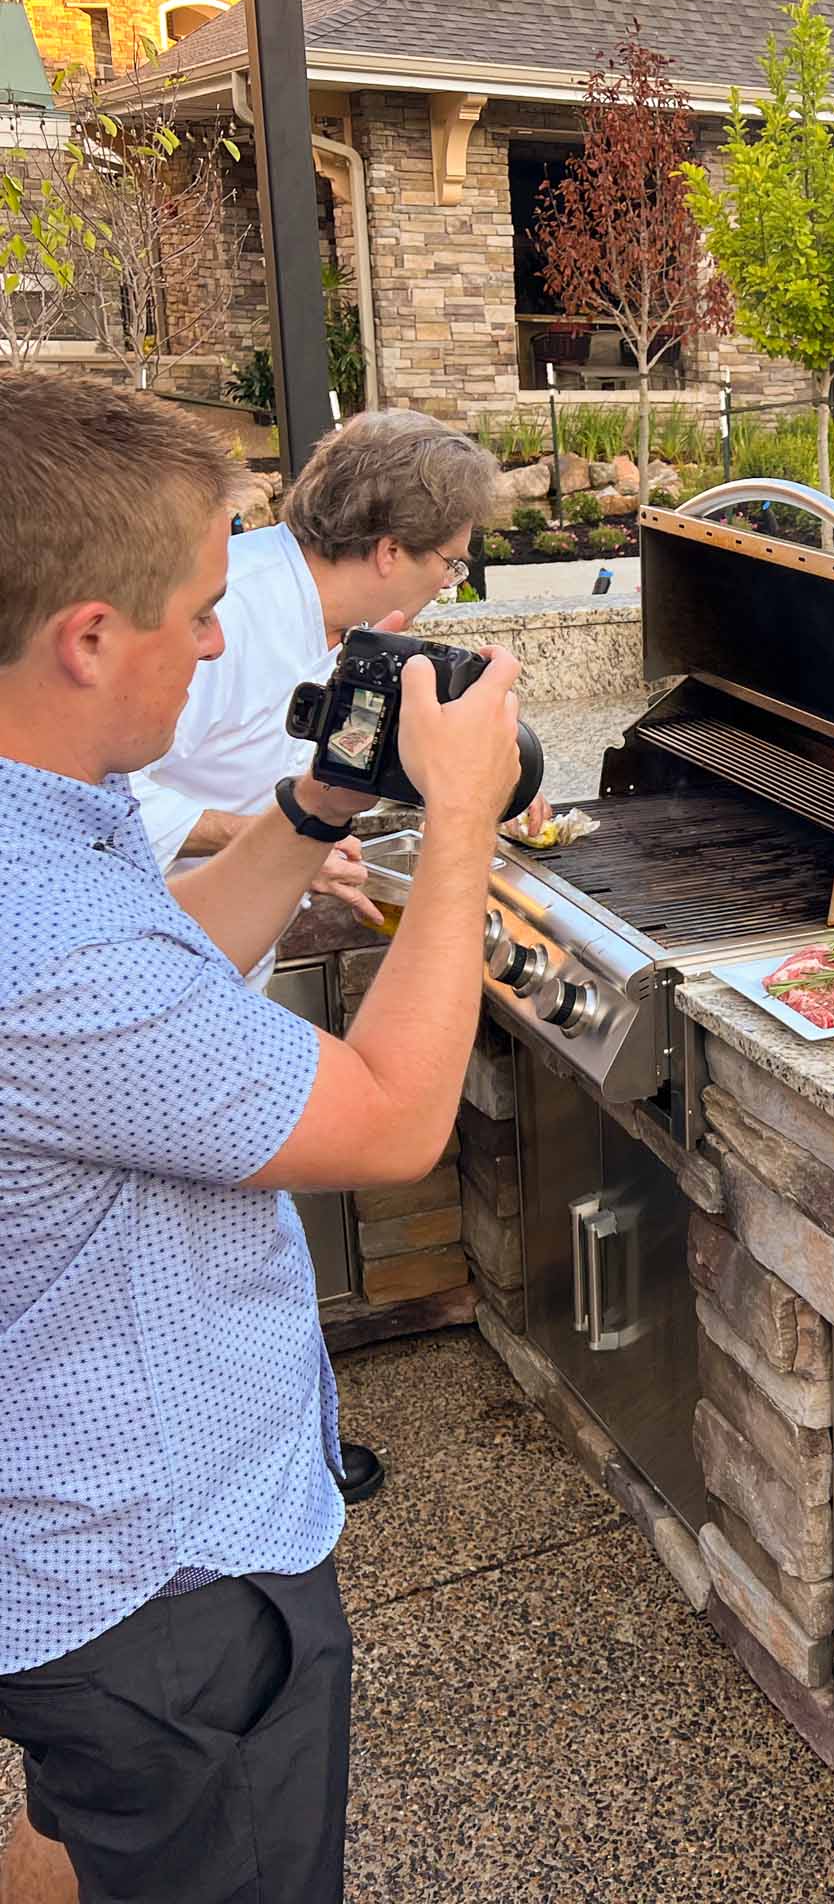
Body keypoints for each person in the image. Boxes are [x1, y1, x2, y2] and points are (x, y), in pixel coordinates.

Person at [0, 372, 525, 1904]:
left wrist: (304, 814)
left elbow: (159, 962)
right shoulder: (43, 941)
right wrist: (463, 823)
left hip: (68, 1526)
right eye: (203, 607)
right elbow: (389, 1118)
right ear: (91, 636)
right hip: (155, 1573)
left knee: (100, 1833)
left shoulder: (48, 839)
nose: (226, 642)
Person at [130, 407, 544, 991]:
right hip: (150, 965)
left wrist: (495, 768)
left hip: (227, 964)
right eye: (451, 564)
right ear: (391, 551)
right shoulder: (226, 613)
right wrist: (273, 839)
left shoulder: (348, 626)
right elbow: (102, 798)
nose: (448, 584)